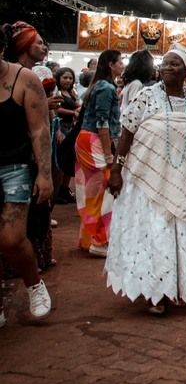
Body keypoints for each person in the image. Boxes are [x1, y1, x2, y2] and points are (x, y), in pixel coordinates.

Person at [104, 44, 186, 314]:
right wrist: (116, 170)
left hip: (185, 182)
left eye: (174, 64)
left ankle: (179, 287)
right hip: (147, 182)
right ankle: (155, 294)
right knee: (156, 232)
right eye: (165, 63)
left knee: (180, 233)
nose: (167, 68)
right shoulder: (146, 96)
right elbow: (126, 135)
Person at [0, 27, 54, 325]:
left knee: (11, 238)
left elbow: (40, 129)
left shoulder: (23, 79)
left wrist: (44, 174)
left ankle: (34, 284)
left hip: (14, 168)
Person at [75, 49, 125, 258]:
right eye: (120, 61)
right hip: (95, 140)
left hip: (89, 139)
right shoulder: (106, 87)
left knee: (92, 192)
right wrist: (107, 154)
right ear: (110, 65)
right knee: (105, 189)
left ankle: (90, 239)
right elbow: (102, 121)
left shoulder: (102, 85)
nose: (123, 65)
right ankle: (99, 240)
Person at [53, 66, 81, 204]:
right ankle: (58, 190)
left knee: (69, 159)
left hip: (71, 128)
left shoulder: (71, 93)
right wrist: (73, 112)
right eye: (65, 78)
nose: (68, 80)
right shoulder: (57, 92)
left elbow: (77, 106)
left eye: (70, 78)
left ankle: (64, 189)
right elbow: (56, 110)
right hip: (61, 128)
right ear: (58, 78)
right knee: (61, 160)